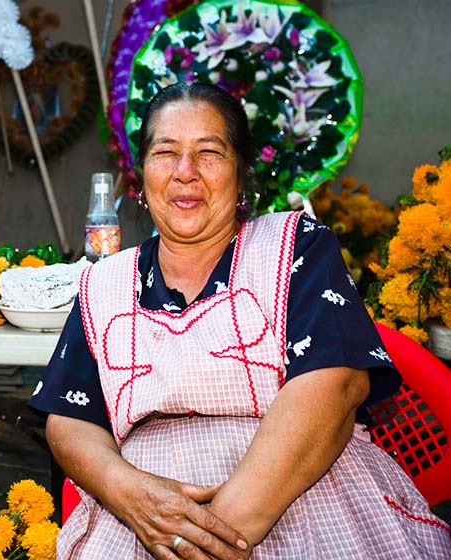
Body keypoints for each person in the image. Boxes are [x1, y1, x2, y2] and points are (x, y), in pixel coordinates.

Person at [29, 82, 451, 559]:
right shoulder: (102, 283)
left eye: (209, 152)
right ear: (141, 178)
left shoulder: (298, 247)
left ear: (241, 174)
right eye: (166, 153)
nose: (185, 173)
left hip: (300, 501)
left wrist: (216, 534)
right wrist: (132, 495)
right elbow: (69, 418)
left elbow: (334, 384)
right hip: (142, 522)